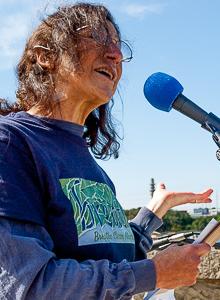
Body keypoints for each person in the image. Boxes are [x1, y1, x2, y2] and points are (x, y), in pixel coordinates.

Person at [0, 2, 212, 299]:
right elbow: (29, 286)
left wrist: (153, 213)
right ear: (45, 56)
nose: (115, 54)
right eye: (98, 38)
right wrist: (154, 273)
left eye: (117, 44)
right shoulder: (11, 143)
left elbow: (113, 260)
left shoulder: (88, 163)